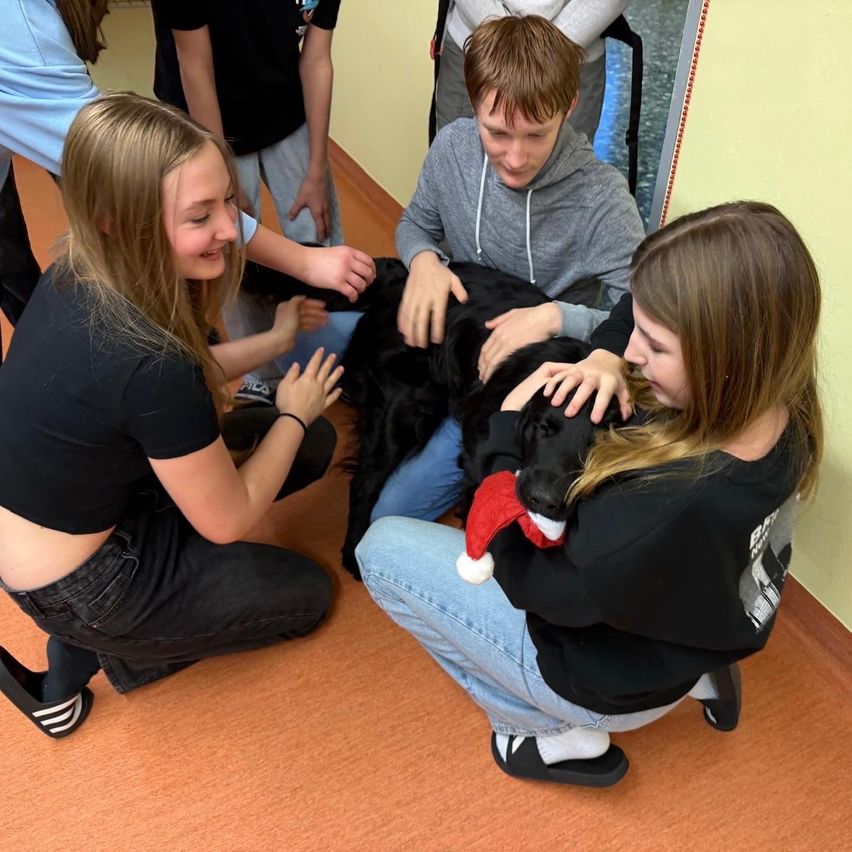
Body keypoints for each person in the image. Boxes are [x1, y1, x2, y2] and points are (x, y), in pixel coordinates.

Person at [355, 201, 823, 787]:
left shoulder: (652, 510)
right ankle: (706, 672)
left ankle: (552, 735)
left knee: (381, 549)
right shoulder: (789, 407)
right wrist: (600, 351)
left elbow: (531, 583)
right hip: (709, 622)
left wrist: (505, 431)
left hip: (605, 679)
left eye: (654, 345)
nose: (631, 354)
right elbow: (631, 308)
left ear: (720, 355)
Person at [0, 93, 345, 738]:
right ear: (120, 222)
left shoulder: (78, 265)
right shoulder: (151, 362)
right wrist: (292, 413)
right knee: (307, 596)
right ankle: (108, 652)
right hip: (82, 581)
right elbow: (231, 519)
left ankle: (125, 620)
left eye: (227, 202)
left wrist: (274, 342)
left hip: (79, 508)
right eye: (200, 215)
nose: (229, 227)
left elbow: (161, 390)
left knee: (310, 442)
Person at [369, 14, 645, 524]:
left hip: (516, 384)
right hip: (449, 343)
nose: (515, 157)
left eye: (536, 136)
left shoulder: (601, 200)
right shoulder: (452, 146)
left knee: (391, 513)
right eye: (496, 133)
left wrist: (560, 318)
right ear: (474, 106)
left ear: (569, 107)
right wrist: (424, 260)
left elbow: (649, 308)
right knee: (312, 335)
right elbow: (415, 224)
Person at [0, 0, 374, 357]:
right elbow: (126, 165)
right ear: (108, 224)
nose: (226, 229)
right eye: (201, 214)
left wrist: (314, 172)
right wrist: (302, 261)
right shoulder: (26, 37)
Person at [150, 0, 347, 403]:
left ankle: (329, 356)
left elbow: (316, 60)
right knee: (230, 242)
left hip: (283, 100)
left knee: (318, 222)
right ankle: (261, 376)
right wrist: (220, 176)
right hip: (205, 112)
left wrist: (316, 167)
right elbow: (196, 68)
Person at [435, 1, 630, 142]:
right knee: (456, 172)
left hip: (575, 52)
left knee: (561, 185)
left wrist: (542, 49)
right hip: (474, 41)